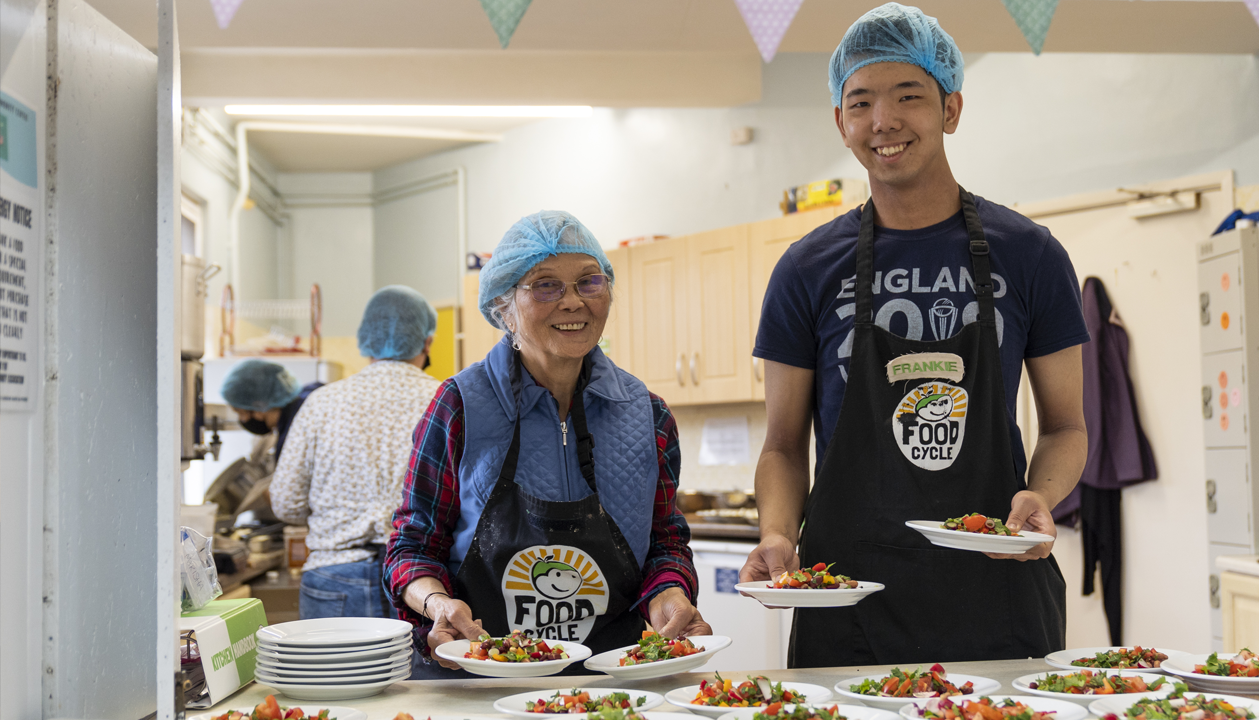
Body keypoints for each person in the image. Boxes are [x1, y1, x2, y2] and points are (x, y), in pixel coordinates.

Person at [740, 3, 1090, 666]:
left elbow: (1068, 428)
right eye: (861, 100)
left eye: (909, 96)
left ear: (951, 110)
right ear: (841, 122)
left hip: (999, 593)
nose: (883, 121)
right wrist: (779, 534)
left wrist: (1039, 497)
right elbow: (784, 447)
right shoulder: (806, 268)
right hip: (845, 599)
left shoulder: (1030, 254)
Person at [384, 211, 708, 678]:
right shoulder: (458, 405)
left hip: (611, 681)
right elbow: (411, 547)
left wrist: (669, 593)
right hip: (481, 675)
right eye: (545, 285)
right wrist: (435, 603)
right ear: (504, 307)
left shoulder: (647, 412)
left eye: (589, 282)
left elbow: (665, 543)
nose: (573, 302)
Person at [269, 285, 442, 619]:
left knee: (339, 674)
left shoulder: (322, 402)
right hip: (419, 580)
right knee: (418, 673)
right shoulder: (446, 399)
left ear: (366, 341)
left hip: (333, 572)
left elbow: (285, 502)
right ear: (427, 341)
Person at [220, 358, 322, 463]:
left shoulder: (292, 442)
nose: (243, 420)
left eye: (240, 413)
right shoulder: (314, 392)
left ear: (259, 405)